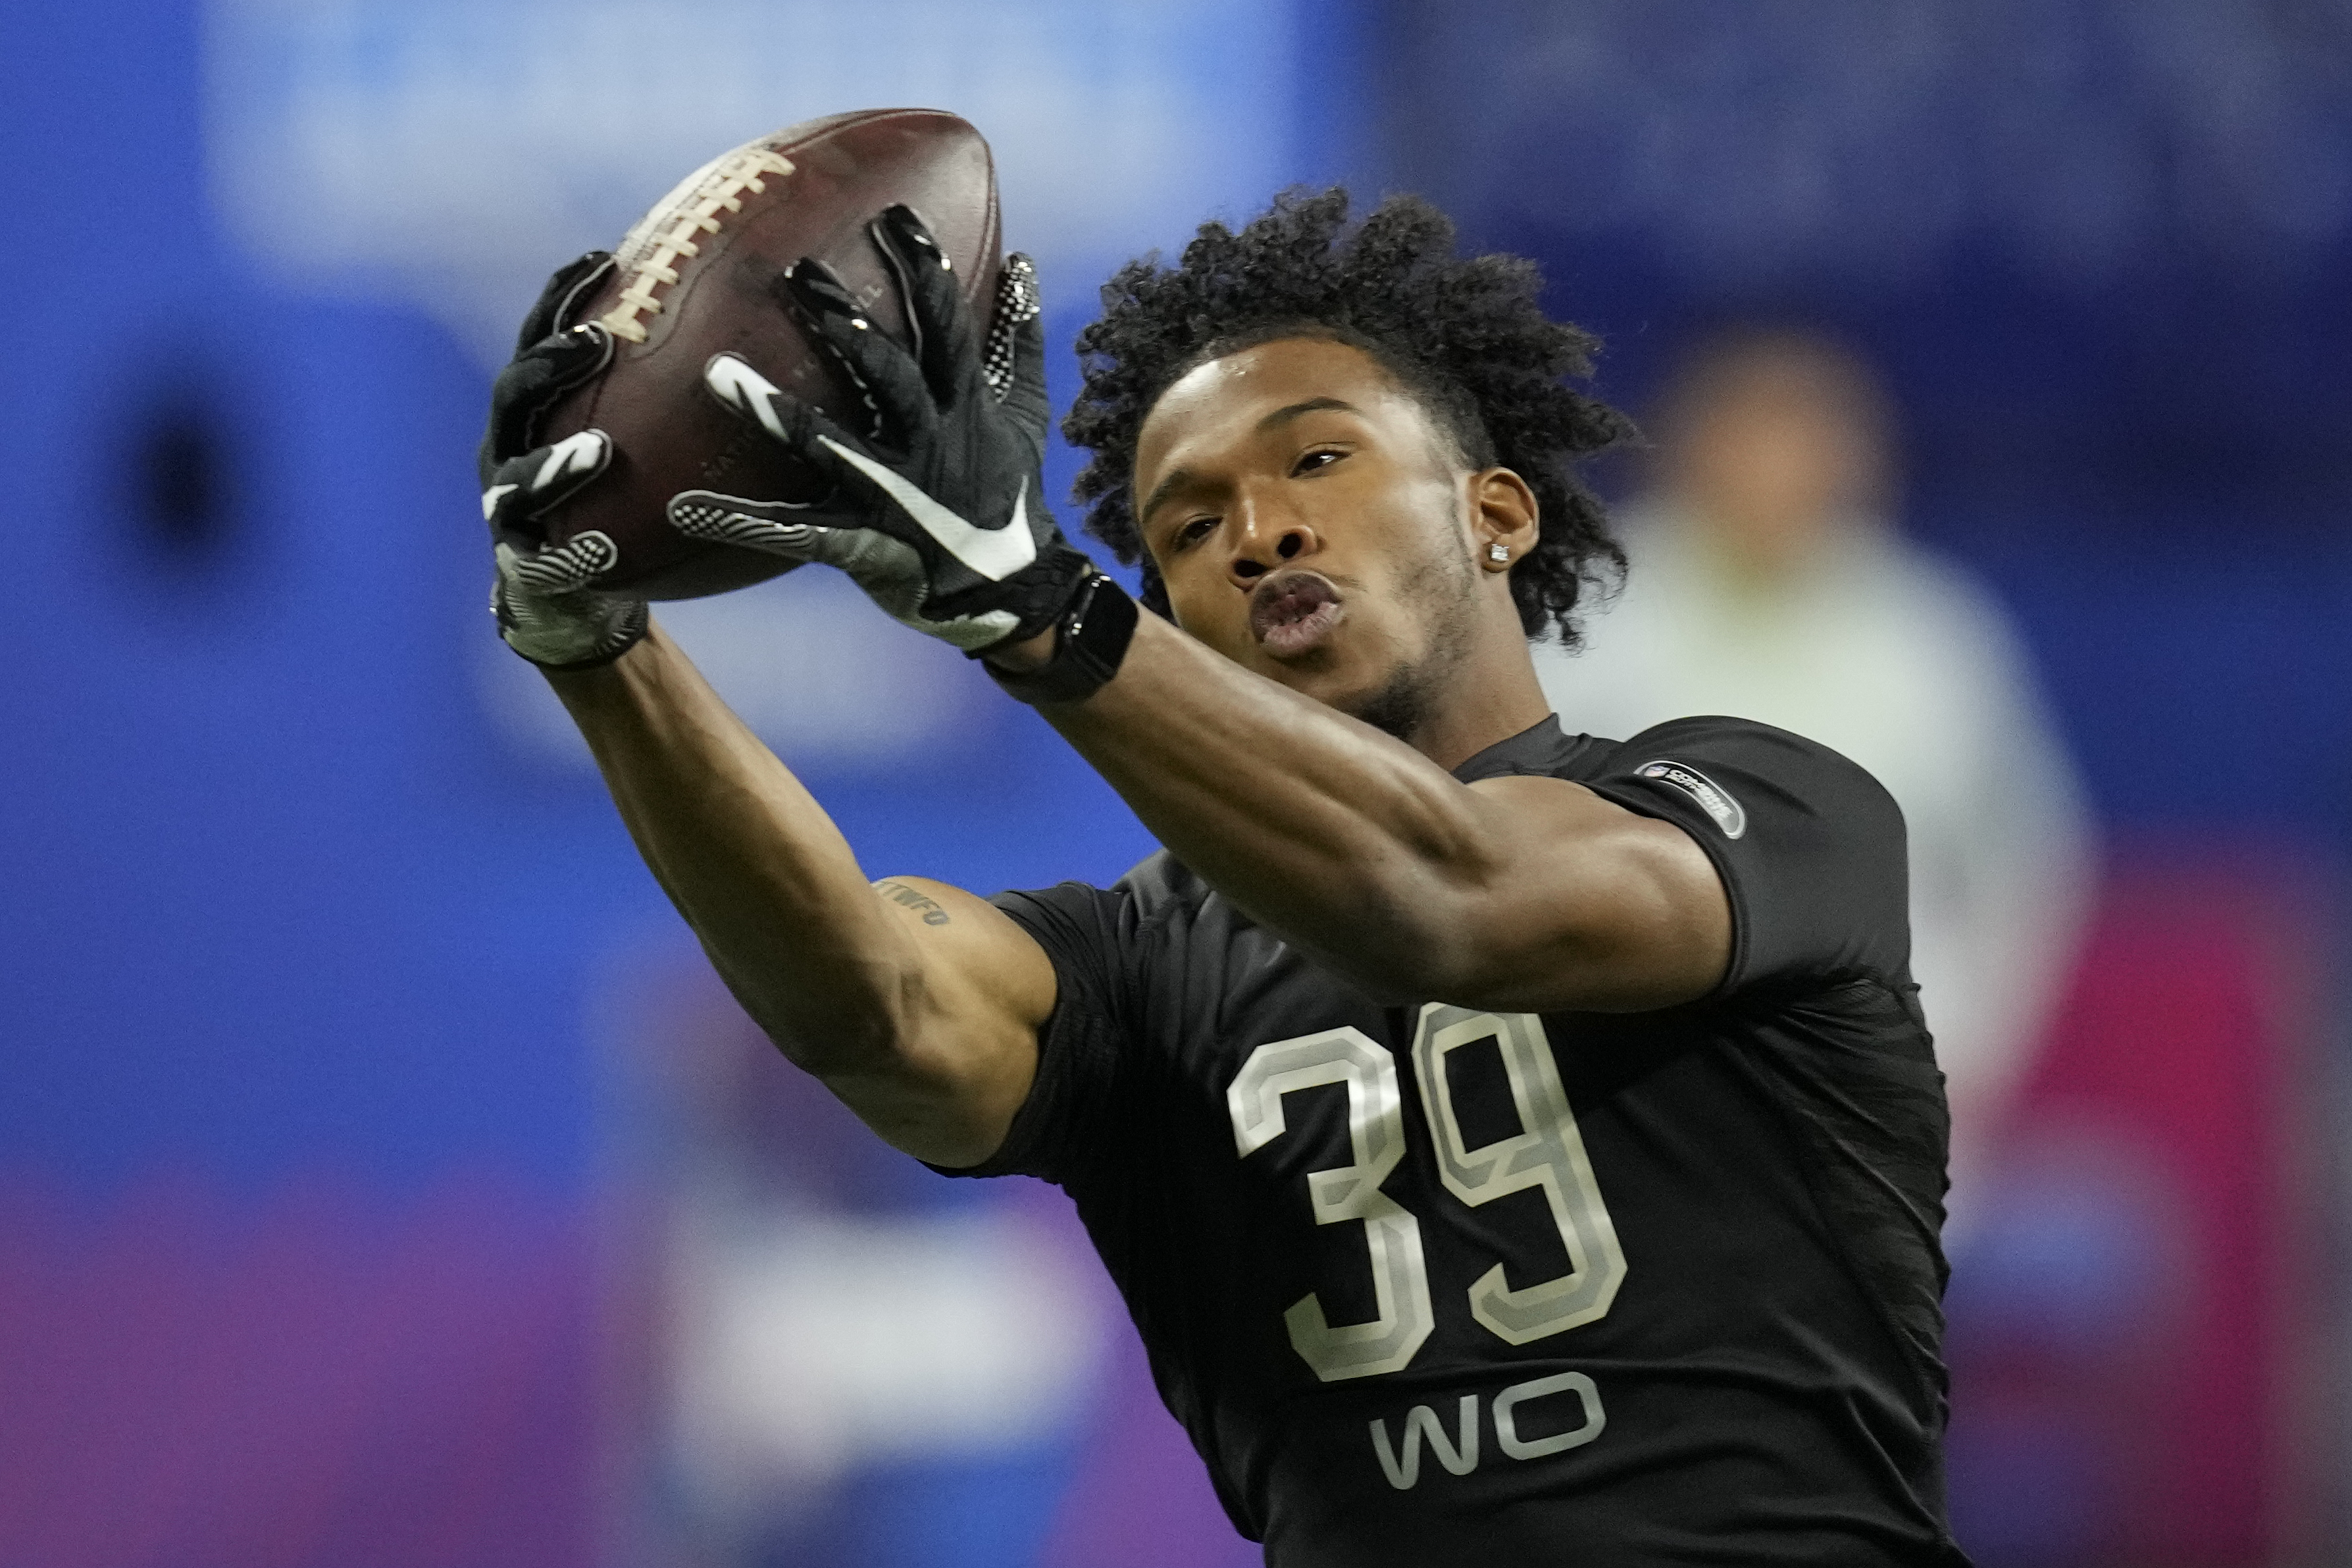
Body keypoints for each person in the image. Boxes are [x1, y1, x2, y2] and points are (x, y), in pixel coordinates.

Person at [478, 190, 1970, 1566]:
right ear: (1177, 620)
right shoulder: (1142, 964)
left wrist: (1039, 613)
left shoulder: (1776, 804)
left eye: (1319, 458)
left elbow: (1463, 903)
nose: (1261, 532)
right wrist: (596, 649)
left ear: (1496, 513)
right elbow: (874, 1010)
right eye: (1190, 527)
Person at [1531, 328, 2091, 1228]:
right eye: (1751, 432)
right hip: (1623, 1093)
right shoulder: (1579, 609)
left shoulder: (1929, 633)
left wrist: (1974, 1049)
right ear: (1689, 445)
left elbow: (2026, 859)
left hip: (1866, 1104)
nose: (1779, 466)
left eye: (1810, 437)